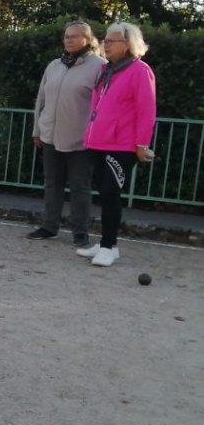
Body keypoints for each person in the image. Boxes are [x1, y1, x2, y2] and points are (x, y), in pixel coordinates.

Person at [77, 22, 156, 267]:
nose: (105, 44)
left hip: (121, 145)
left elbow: (146, 110)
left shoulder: (140, 70)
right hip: (98, 142)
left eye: (112, 41)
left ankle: (109, 247)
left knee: (111, 193)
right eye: (105, 40)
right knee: (104, 193)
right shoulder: (107, 70)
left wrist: (142, 144)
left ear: (128, 45)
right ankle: (105, 244)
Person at [28, 21, 106, 246]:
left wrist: (95, 136)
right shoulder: (54, 65)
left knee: (80, 186)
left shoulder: (99, 66)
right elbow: (41, 100)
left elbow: (102, 105)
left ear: (87, 40)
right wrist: (37, 130)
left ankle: (80, 232)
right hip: (50, 135)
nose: (69, 40)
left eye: (74, 36)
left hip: (80, 139)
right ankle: (49, 226)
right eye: (66, 36)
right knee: (52, 183)